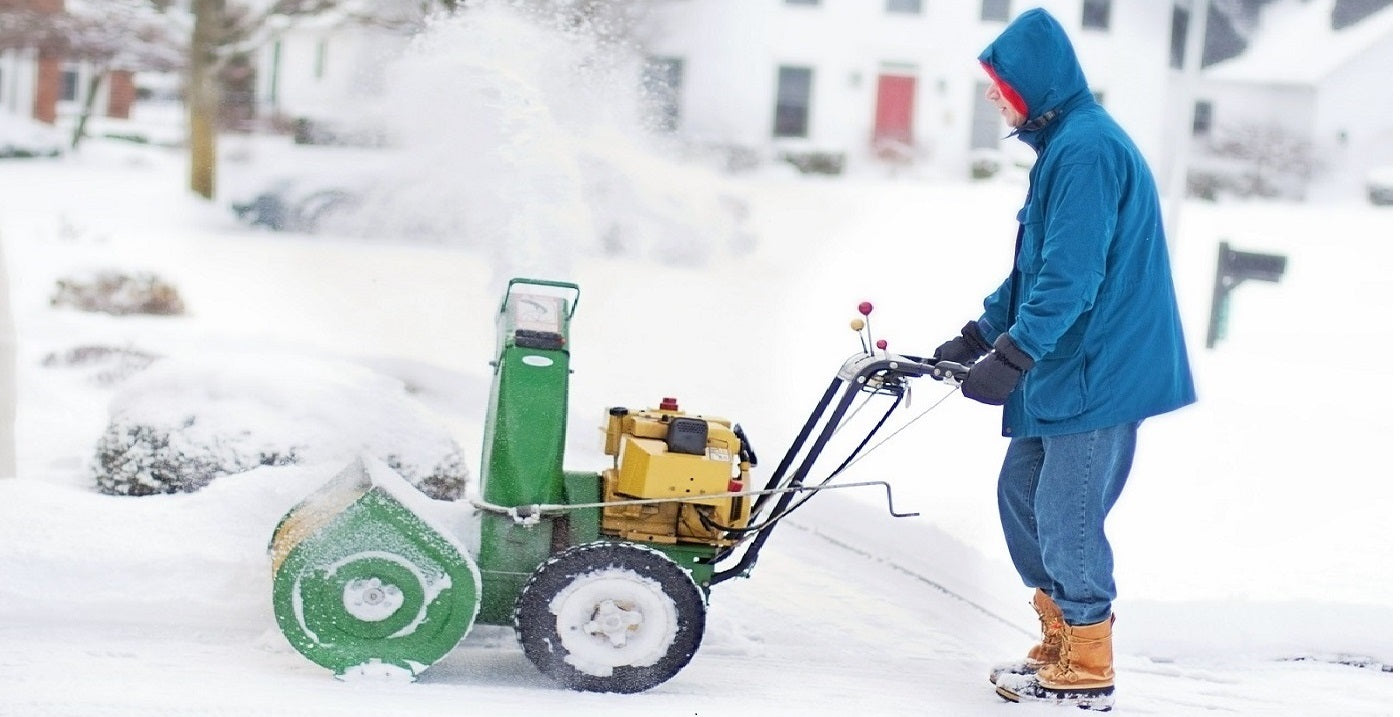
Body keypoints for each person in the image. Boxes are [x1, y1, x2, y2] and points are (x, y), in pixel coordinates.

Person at [931, 8, 1196, 711]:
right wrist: (980, 331)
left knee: (1066, 512)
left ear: (1036, 84)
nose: (993, 94)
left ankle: (1087, 670)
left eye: (1000, 82)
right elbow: (1038, 265)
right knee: (1023, 496)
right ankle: (1061, 640)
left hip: (1101, 365)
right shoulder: (1064, 146)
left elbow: (1070, 278)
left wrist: (1013, 354)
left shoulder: (1086, 151)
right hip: (1070, 356)